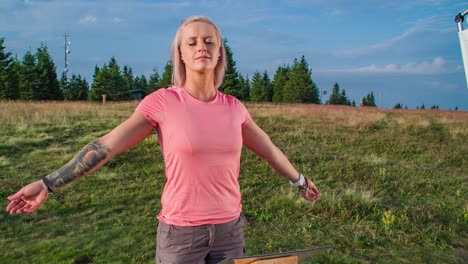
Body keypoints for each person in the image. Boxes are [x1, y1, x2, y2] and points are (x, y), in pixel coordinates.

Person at [5, 16, 320, 263]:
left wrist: (300, 181)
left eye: (210, 41)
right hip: (180, 236)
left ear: (220, 51)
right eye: (192, 41)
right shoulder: (162, 103)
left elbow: (269, 150)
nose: (202, 47)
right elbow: (105, 146)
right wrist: (48, 183)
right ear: (180, 53)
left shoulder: (235, 109)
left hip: (230, 231)